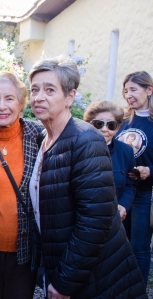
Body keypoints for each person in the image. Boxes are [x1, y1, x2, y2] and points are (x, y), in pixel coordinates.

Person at [29, 56, 146, 299]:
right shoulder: (44, 138)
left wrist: (65, 281)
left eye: (50, 90)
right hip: (64, 263)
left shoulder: (86, 140)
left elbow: (95, 221)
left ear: (70, 97)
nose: (39, 97)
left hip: (95, 276)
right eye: (34, 89)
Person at [0, 71, 42, 299]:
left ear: (21, 103)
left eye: (9, 98)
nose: (2, 106)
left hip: (25, 246)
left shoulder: (38, 136)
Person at [116, 71, 153, 285]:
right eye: (126, 90)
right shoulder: (121, 120)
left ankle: (137, 290)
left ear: (149, 90)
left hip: (142, 194)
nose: (128, 94)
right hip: (120, 192)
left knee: (139, 246)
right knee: (120, 244)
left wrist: (150, 170)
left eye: (134, 89)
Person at [84, 100, 136, 221]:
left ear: (117, 128)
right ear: (89, 124)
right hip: (84, 216)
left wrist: (123, 205)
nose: (104, 129)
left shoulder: (126, 151)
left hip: (114, 219)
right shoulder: (78, 148)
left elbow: (131, 184)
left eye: (111, 125)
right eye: (99, 124)